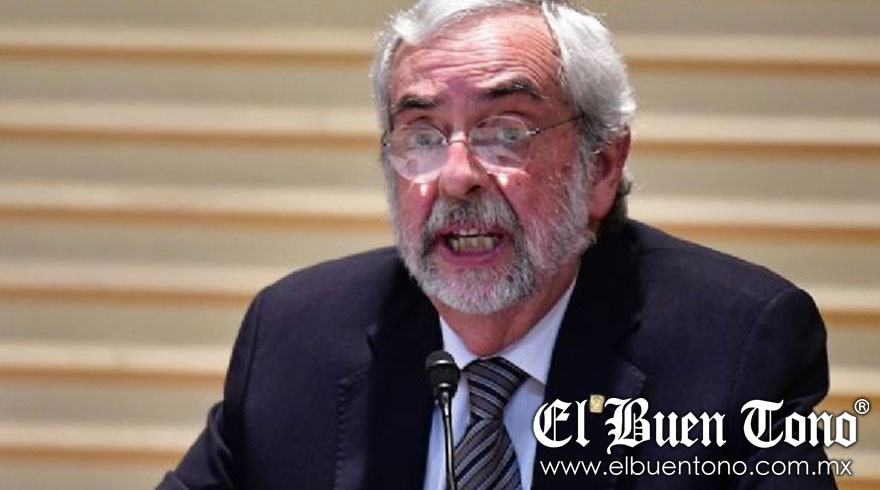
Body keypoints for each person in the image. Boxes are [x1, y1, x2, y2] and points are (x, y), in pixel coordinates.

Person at [157, 1, 835, 489]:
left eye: (506, 131)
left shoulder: (738, 350)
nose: (456, 177)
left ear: (601, 167)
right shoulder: (295, 336)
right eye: (422, 135)